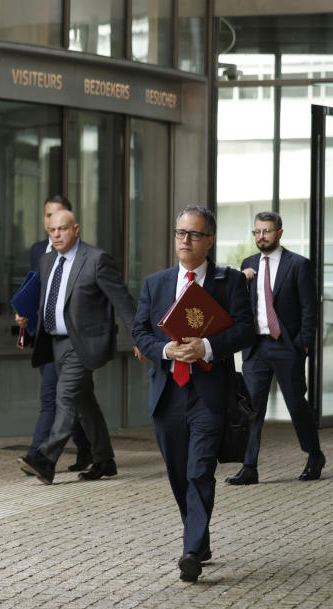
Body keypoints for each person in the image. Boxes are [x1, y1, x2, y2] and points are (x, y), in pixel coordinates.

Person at [132, 206, 253, 582]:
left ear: (209, 241)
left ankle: (190, 551)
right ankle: (199, 538)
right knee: (178, 473)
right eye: (180, 233)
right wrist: (166, 351)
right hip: (168, 393)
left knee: (200, 469)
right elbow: (140, 333)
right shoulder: (156, 283)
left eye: (194, 234)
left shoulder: (228, 282)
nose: (185, 240)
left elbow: (246, 331)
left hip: (208, 392)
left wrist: (207, 347)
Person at [17, 209, 140, 485]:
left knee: (65, 397)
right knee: (84, 403)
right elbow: (47, 300)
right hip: (55, 342)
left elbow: (122, 301)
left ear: (76, 229)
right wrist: (25, 316)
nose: (57, 234)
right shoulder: (47, 260)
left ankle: (46, 459)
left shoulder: (96, 260)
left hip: (83, 342)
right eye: (52, 231)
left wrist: (139, 337)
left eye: (62, 229)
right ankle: (104, 460)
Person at [227, 211, 324, 485]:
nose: (261, 236)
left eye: (267, 231)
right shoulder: (247, 265)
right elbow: (237, 303)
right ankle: (249, 467)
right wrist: (240, 279)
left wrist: (304, 345)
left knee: (296, 405)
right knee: (252, 409)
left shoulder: (298, 265)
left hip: (286, 346)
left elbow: (309, 308)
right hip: (256, 348)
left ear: (279, 232)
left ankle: (314, 454)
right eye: (257, 232)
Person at [22, 195, 92, 472]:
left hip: (74, 341)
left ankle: (38, 455)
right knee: (79, 400)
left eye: (59, 217)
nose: (54, 223)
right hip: (46, 337)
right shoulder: (38, 250)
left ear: (72, 224)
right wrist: (24, 313)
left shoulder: (85, 255)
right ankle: (94, 452)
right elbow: (34, 287)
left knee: (54, 397)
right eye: (48, 217)